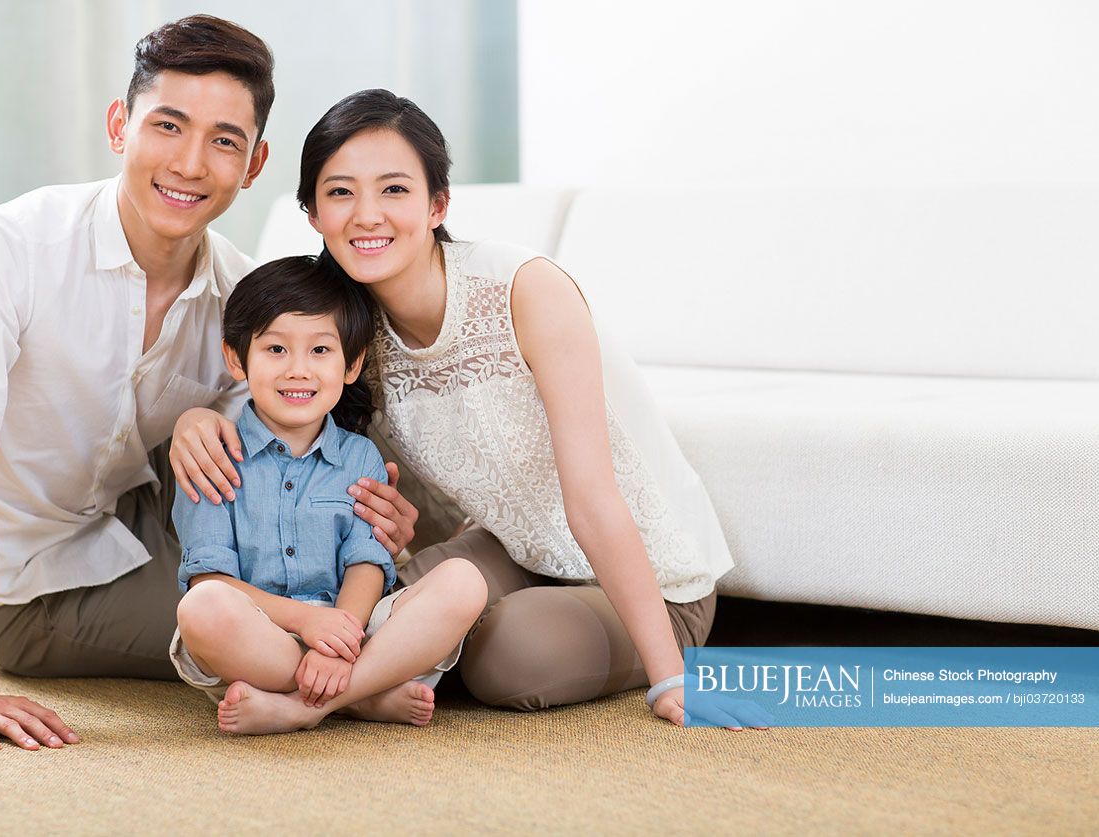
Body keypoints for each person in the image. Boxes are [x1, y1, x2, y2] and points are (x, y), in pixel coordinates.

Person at [0, 18, 417, 753]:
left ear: (255, 160)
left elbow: (292, 443)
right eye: (168, 126)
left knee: (338, 574)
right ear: (120, 125)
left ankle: (381, 655)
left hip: (151, 517)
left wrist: (360, 505)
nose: (190, 163)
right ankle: (359, 686)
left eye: (224, 141)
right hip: (27, 582)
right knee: (246, 623)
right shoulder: (8, 251)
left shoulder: (241, 292)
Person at [178, 89, 766, 730]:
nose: (367, 215)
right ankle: (366, 687)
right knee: (390, 601)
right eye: (341, 192)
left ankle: (308, 705)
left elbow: (594, 500)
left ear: (438, 205)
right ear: (313, 214)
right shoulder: (349, 331)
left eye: (394, 190)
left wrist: (672, 678)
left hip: (650, 582)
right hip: (512, 551)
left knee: (506, 656)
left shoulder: (526, 290)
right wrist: (196, 419)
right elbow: (277, 398)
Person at [170, 257, 486, 734]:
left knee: (464, 581)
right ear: (237, 359)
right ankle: (363, 695)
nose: (299, 370)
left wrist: (342, 633)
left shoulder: (360, 456)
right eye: (276, 349)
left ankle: (304, 705)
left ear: (351, 364)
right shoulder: (214, 456)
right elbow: (208, 579)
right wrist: (305, 623)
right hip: (262, 639)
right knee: (203, 608)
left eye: (320, 351)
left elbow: (366, 561)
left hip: (353, 628)